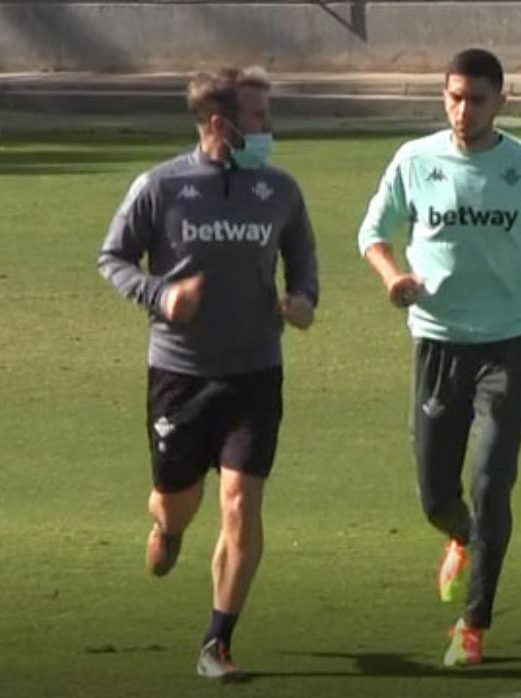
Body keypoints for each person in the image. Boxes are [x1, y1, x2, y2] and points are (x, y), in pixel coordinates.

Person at [356, 48, 521, 667]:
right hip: (437, 342)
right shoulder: (415, 160)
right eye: (455, 98)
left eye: (477, 100)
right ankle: (462, 537)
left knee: (491, 483)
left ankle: (473, 625)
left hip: (506, 345)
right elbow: (372, 232)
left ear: (500, 101)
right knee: (436, 496)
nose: (463, 111)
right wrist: (391, 276)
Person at [98, 66, 319, 680]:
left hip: (255, 372)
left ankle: (216, 641)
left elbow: (303, 261)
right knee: (177, 502)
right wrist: (161, 295)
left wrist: (303, 301)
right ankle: (167, 528)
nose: (269, 128)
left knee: (240, 503)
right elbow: (113, 257)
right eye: (259, 117)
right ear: (221, 124)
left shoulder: (280, 189)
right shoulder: (161, 186)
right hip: (181, 375)